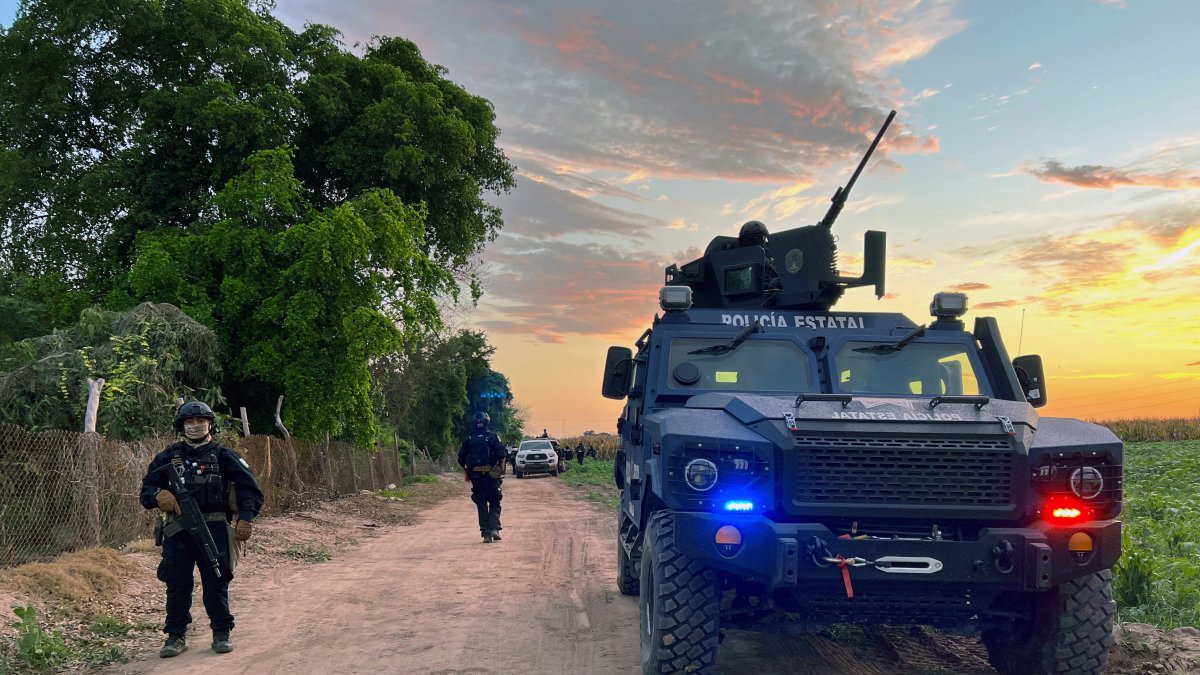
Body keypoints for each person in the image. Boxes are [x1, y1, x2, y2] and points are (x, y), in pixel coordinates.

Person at [139, 401, 264, 658]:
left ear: (209, 424)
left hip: (215, 526)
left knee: (217, 580)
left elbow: (249, 488)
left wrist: (246, 517)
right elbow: (146, 491)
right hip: (178, 530)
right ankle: (175, 636)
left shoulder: (224, 455)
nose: (195, 426)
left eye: (200, 421)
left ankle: (221, 631)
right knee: (177, 582)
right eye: (189, 422)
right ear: (181, 426)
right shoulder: (167, 457)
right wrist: (158, 495)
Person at [458, 411, 507, 543]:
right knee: (495, 501)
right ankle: (495, 528)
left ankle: (486, 533)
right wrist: (500, 469)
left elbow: (461, 459)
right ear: (487, 422)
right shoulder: (493, 437)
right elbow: (501, 453)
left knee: (481, 503)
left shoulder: (468, 439)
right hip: (491, 475)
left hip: (475, 476)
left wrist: (467, 472)